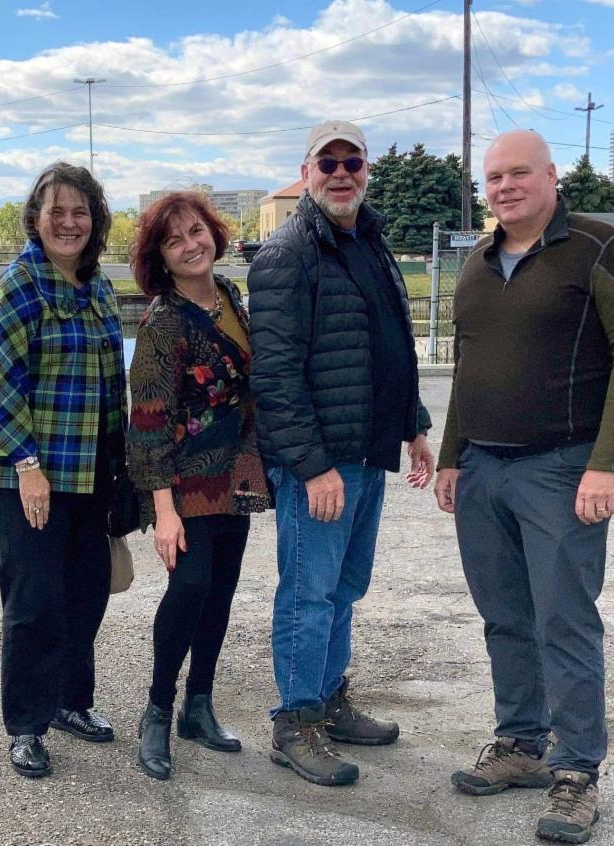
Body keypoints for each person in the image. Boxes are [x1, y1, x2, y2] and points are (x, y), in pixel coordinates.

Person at [433, 130, 614, 844]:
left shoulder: (596, 247)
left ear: (551, 176)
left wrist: (607, 463)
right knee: (504, 616)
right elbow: (467, 367)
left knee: (564, 620)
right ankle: (521, 743)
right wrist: (451, 455)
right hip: (483, 471)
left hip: (561, 469)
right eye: (494, 177)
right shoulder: (477, 264)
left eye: (518, 173)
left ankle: (577, 772)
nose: (504, 187)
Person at [248, 120, 434, 787]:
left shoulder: (370, 242)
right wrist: (312, 466)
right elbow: (275, 377)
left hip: (367, 450)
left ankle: (327, 700)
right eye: (326, 163)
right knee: (309, 592)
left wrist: (413, 424)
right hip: (322, 464)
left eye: (351, 162)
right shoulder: (287, 254)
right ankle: (295, 722)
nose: (340, 173)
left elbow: (390, 342)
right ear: (307, 173)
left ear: (366, 170)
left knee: (344, 589)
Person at [0, 161, 126, 778]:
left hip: (89, 473)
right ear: (35, 219)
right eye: (55, 211)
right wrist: (27, 465)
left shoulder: (99, 288)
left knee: (86, 594)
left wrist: (124, 466)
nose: (68, 222)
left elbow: (112, 385)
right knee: (34, 603)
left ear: (95, 221)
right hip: (28, 476)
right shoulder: (19, 286)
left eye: (79, 212)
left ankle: (69, 702)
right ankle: (27, 726)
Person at [127, 192, 271, 781]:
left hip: (234, 473)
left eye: (196, 232)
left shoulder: (230, 297)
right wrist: (163, 510)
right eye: (174, 240)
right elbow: (148, 421)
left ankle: (199, 706)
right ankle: (158, 710)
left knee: (221, 592)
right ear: (160, 257)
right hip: (183, 481)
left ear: (213, 233)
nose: (190, 246)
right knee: (189, 587)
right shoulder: (163, 323)